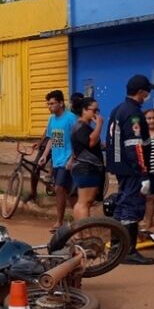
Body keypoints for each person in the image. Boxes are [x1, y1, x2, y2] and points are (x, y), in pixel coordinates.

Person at [105, 74, 154, 265]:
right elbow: (135, 146)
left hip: (120, 166)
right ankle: (128, 251)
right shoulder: (133, 113)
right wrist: (143, 172)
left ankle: (117, 249)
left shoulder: (118, 109)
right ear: (141, 92)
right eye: (147, 91)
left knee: (121, 206)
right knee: (131, 207)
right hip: (132, 168)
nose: (148, 94)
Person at [38, 90, 78, 232]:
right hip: (57, 161)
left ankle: (61, 221)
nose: (50, 106)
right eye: (48, 104)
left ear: (61, 103)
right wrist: (45, 155)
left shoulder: (71, 118)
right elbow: (54, 139)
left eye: (52, 103)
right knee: (68, 193)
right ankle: (79, 220)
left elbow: (77, 140)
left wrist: (72, 159)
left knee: (60, 189)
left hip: (68, 161)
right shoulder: (52, 120)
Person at [71, 97, 105, 222]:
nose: (96, 114)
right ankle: (85, 234)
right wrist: (100, 125)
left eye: (98, 110)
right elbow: (90, 142)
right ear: (84, 110)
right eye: (94, 110)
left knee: (82, 202)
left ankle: (79, 234)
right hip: (87, 168)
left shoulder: (82, 126)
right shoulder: (81, 126)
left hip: (85, 168)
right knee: (85, 203)